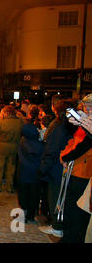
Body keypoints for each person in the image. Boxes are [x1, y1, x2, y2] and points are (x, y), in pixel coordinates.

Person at [57, 94, 92, 243]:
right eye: (86, 106)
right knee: (72, 210)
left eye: (90, 106)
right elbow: (74, 139)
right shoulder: (85, 122)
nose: (88, 109)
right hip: (77, 171)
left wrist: (66, 157)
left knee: (77, 214)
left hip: (83, 173)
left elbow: (84, 147)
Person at [38, 96, 71, 238]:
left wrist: (43, 168)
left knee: (55, 196)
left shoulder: (58, 127)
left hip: (56, 167)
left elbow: (52, 149)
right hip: (60, 165)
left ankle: (57, 225)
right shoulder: (64, 126)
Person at [17, 107, 44, 223]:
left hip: (23, 170)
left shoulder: (23, 140)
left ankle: (24, 212)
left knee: (23, 193)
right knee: (34, 194)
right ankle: (31, 215)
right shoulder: (40, 144)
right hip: (35, 172)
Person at [0, 105, 24, 193]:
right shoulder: (19, 122)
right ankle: (9, 187)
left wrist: (0, 119)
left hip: (2, 147)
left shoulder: (2, 122)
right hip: (14, 147)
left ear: (5, 113)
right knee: (11, 168)